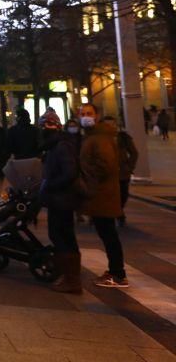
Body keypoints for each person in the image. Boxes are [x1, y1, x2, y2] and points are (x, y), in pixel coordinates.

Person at [77, 103, 128, 288]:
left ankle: (118, 273)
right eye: (83, 113)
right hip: (100, 193)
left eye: (89, 113)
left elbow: (105, 165)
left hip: (102, 194)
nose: (86, 116)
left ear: (97, 116)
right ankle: (115, 271)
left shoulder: (100, 138)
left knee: (108, 234)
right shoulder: (94, 136)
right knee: (107, 233)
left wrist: (86, 176)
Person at [39, 115, 83, 293]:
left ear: (57, 126)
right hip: (58, 198)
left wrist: (51, 185)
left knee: (62, 236)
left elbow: (69, 172)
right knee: (61, 236)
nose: (44, 128)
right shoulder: (54, 146)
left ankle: (71, 279)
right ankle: (67, 275)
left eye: (48, 124)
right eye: (43, 124)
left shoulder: (61, 146)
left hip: (62, 199)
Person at [109, 116, 138, 227]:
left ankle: (118, 211)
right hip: (108, 172)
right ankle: (118, 214)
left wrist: (129, 167)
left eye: (112, 124)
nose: (110, 126)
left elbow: (134, 153)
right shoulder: (101, 138)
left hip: (122, 172)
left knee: (123, 194)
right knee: (111, 195)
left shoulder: (124, 137)